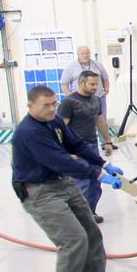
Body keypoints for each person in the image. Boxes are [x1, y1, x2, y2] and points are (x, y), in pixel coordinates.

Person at [12, 85, 128, 272]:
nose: (52, 109)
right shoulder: (29, 132)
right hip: (40, 191)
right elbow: (61, 161)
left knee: (91, 232)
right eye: (46, 105)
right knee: (74, 239)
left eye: (54, 103)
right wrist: (98, 175)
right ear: (30, 106)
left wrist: (104, 164)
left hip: (62, 183)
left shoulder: (53, 122)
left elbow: (76, 145)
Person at [58, 70, 116, 223]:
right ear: (81, 82)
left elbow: (100, 121)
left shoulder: (95, 100)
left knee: (95, 183)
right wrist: (63, 152)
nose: (95, 87)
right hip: (75, 150)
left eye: (97, 84)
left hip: (92, 147)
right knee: (81, 183)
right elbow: (60, 129)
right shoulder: (68, 103)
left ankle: (90, 212)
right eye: (92, 84)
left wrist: (108, 141)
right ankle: (80, 217)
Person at [60, 45, 113, 123]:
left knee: (102, 121)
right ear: (78, 54)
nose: (85, 55)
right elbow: (64, 83)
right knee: (83, 122)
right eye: (83, 53)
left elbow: (105, 78)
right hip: (80, 100)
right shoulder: (71, 67)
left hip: (99, 97)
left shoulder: (97, 64)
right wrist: (70, 96)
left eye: (87, 53)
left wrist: (106, 90)